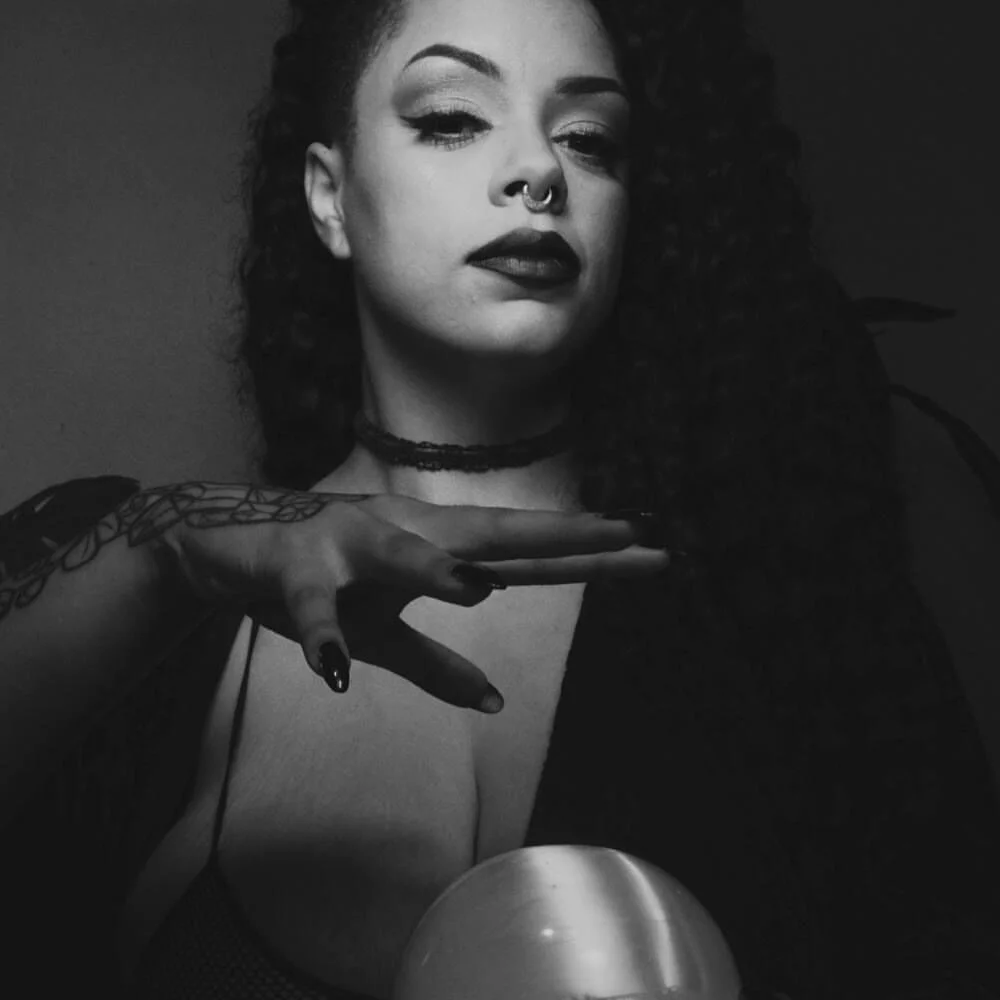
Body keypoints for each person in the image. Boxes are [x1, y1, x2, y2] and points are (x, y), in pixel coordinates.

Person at [2, 0, 998, 998]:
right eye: (451, 117)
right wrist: (163, 545)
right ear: (328, 198)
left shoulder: (805, 629)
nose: (540, 171)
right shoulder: (144, 605)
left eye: (589, 139)